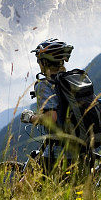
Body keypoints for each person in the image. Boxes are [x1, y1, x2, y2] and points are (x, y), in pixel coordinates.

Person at [20, 38, 75, 175]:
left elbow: (51, 118)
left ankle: (11, 197)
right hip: (82, 147)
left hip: (58, 151)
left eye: (39, 60)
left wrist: (31, 117)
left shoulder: (44, 84)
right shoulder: (73, 79)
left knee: (28, 183)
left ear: (44, 62)